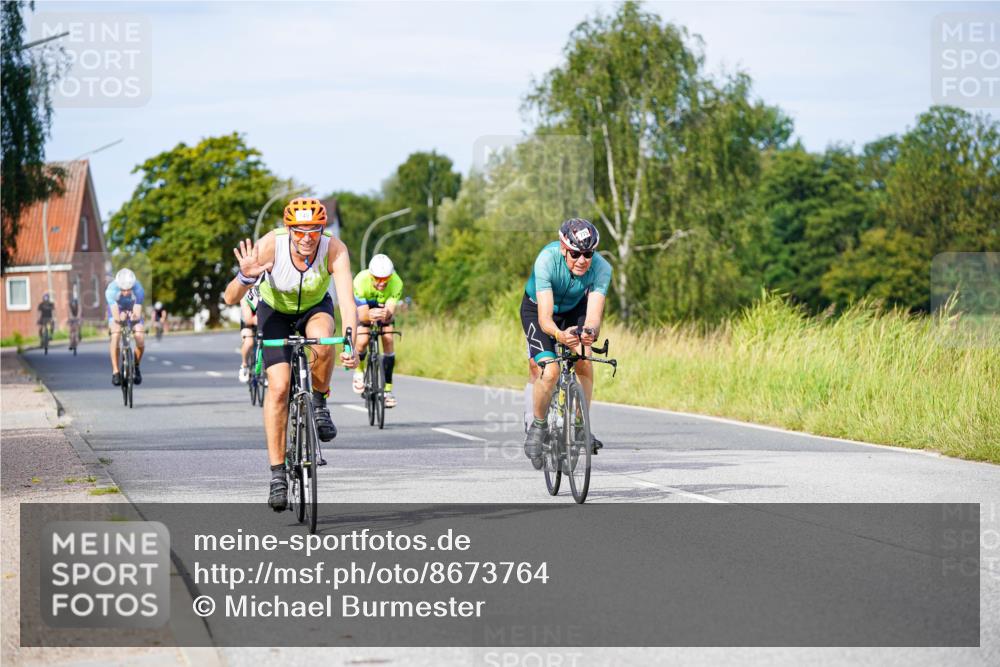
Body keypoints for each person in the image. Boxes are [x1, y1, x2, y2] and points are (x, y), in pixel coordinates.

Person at [223, 197, 358, 512]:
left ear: (322, 229)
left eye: (314, 231)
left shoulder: (334, 249)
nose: (307, 238)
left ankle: (319, 403)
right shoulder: (271, 245)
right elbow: (230, 298)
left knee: (323, 340)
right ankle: (277, 476)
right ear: (289, 230)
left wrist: (351, 342)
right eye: (299, 231)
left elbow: (347, 302)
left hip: (314, 307)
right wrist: (245, 277)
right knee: (280, 387)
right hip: (275, 313)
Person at [520, 218, 611, 469]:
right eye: (575, 254)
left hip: (574, 310)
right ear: (563, 248)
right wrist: (560, 336)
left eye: (588, 254)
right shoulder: (546, 260)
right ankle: (538, 426)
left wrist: (589, 332)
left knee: (584, 357)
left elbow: (593, 315)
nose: (582, 260)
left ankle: (581, 426)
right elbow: (545, 319)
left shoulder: (602, 268)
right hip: (539, 310)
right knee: (549, 371)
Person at [351, 254, 403, 407]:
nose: (382, 283)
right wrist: (369, 316)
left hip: (383, 308)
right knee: (362, 340)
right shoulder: (360, 281)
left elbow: (390, 311)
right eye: (378, 279)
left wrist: (386, 314)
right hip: (364, 307)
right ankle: (359, 373)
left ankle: (387, 391)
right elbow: (362, 315)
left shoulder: (397, 282)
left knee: (388, 338)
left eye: (386, 279)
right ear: (370, 275)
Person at [106, 268, 146, 386]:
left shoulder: (139, 289)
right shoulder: (111, 290)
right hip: (117, 311)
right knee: (116, 334)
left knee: (140, 336)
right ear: (118, 286)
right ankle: (115, 371)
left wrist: (133, 317)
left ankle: (136, 366)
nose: (126, 292)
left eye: (129, 289)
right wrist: (120, 318)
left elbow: (137, 314)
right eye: (123, 290)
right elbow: (116, 317)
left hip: (132, 309)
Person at [237, 285, 260, 383]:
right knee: (249, 342)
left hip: (263, 317)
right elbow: (248, 319)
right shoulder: (246, 292)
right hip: (249, 318)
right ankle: (244, 365)